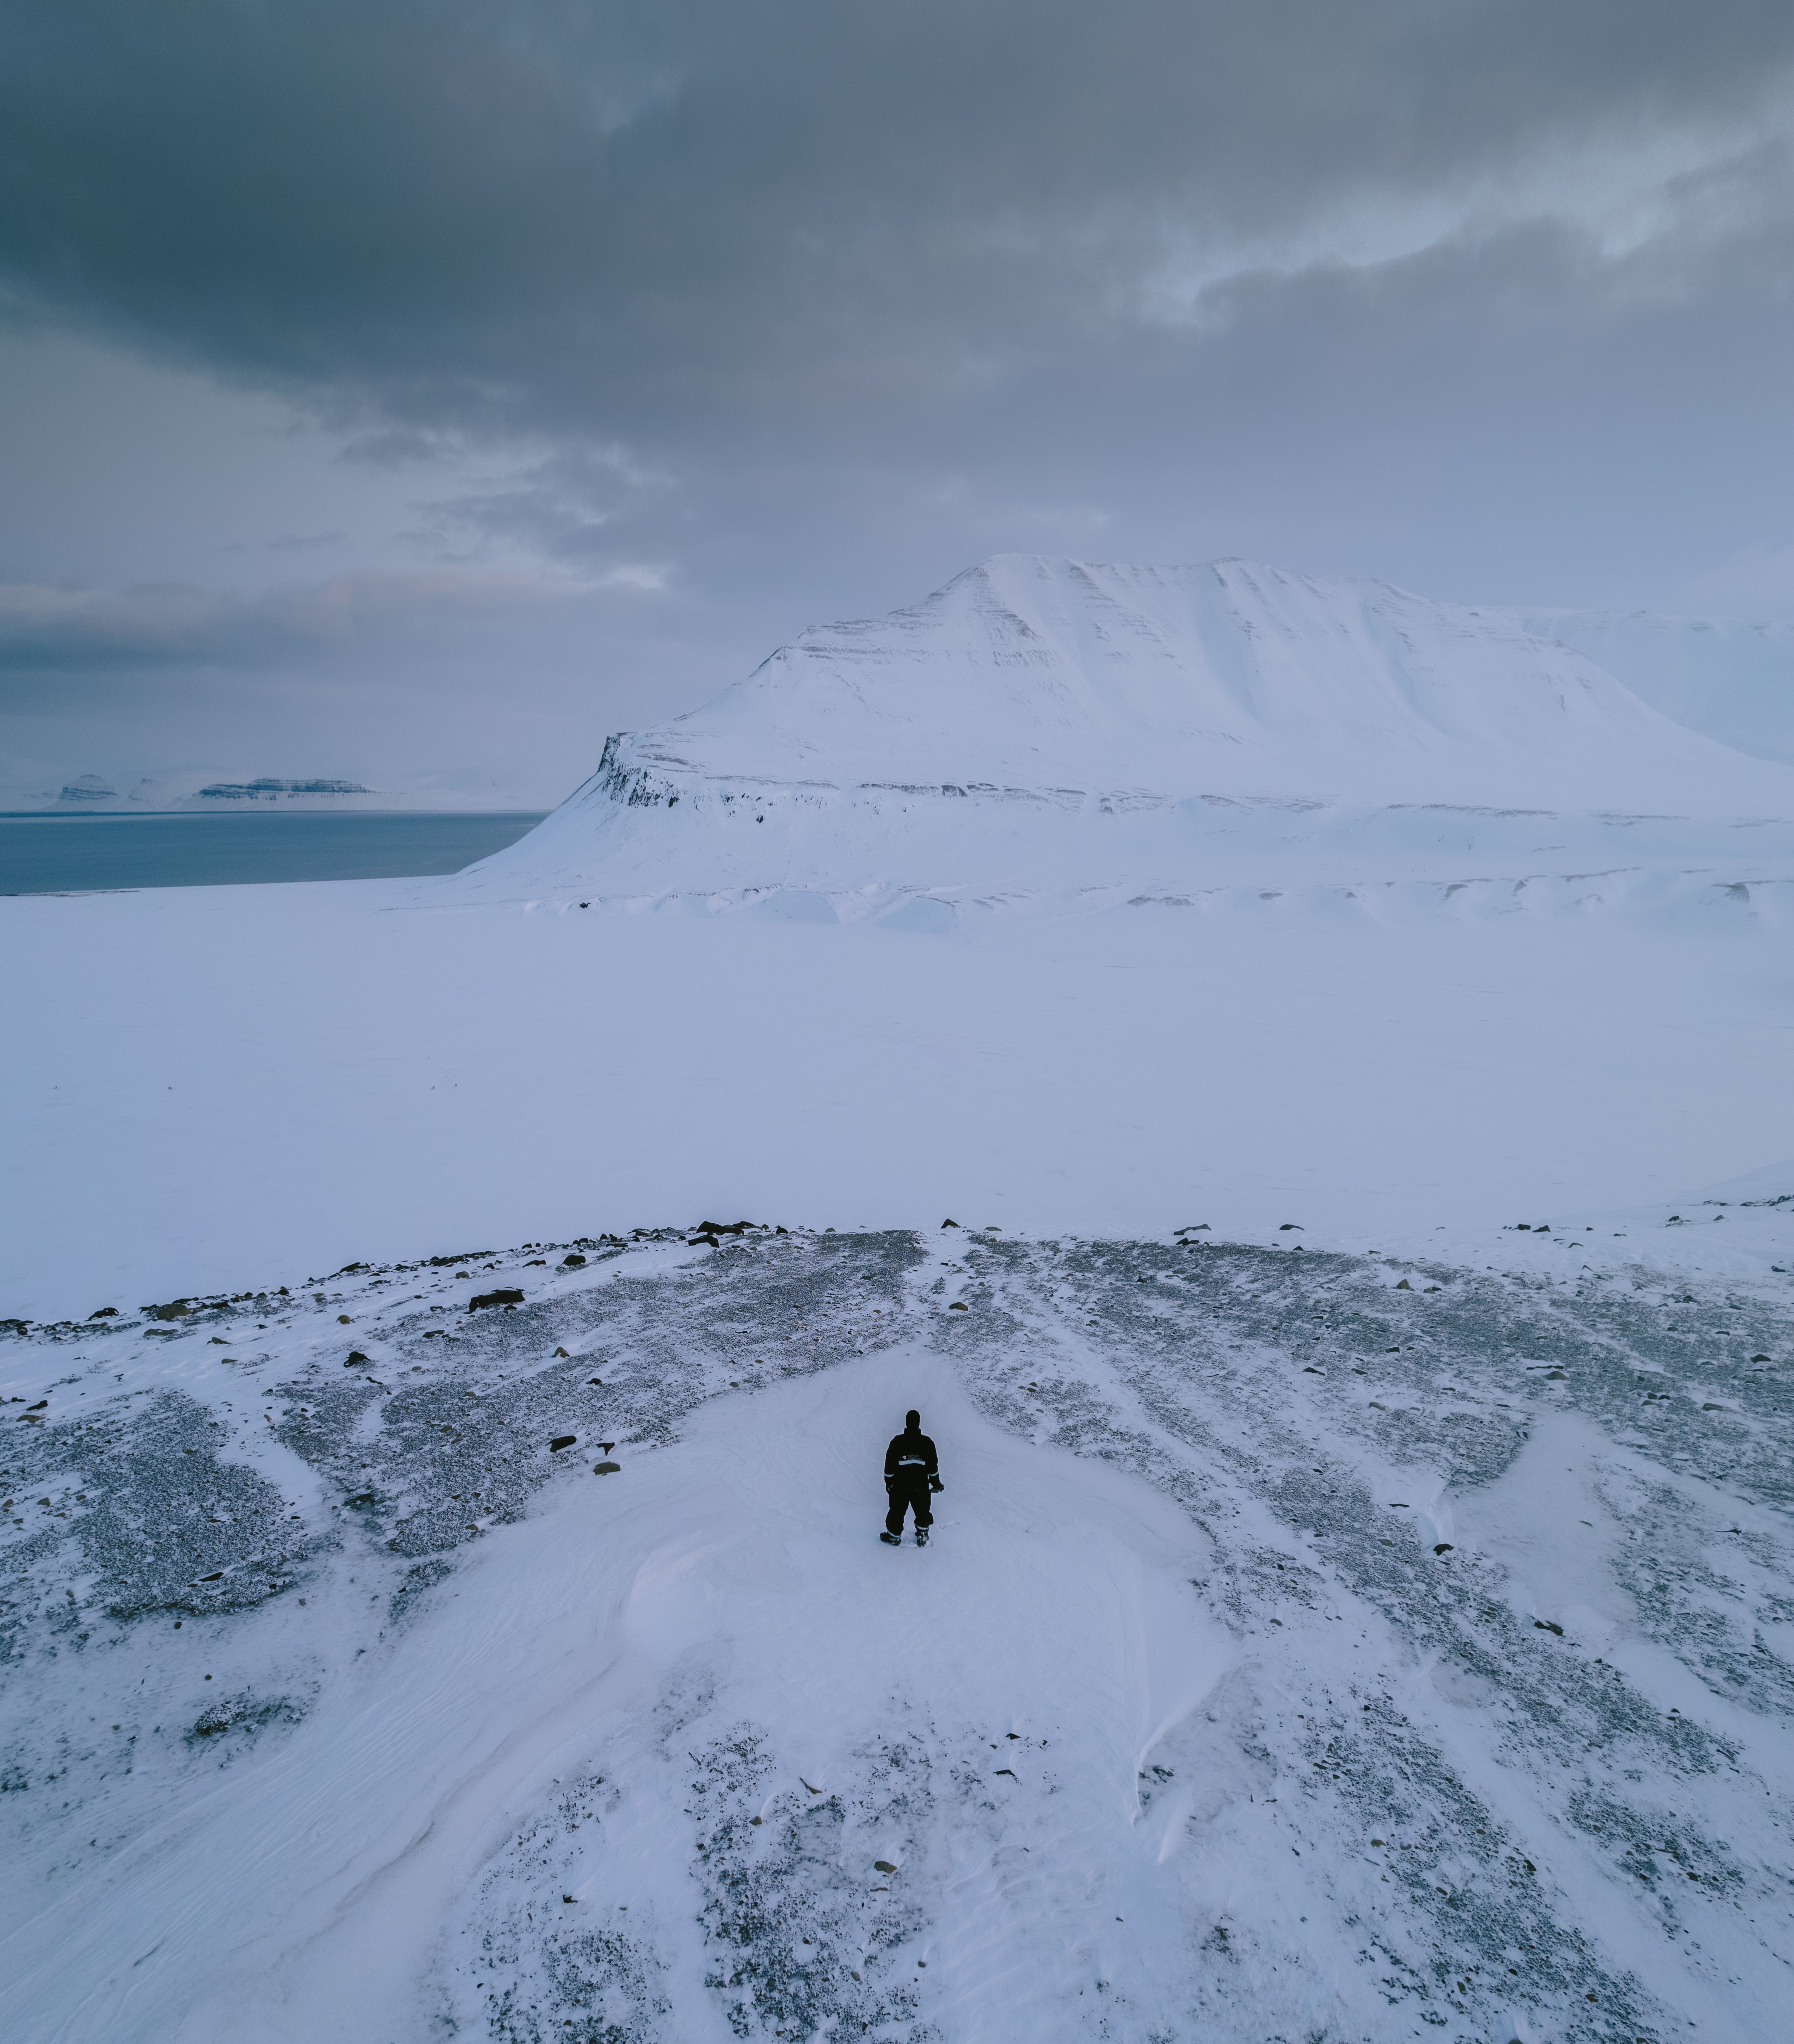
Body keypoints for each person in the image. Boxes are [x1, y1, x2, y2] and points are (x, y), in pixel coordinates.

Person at [882, 1409, 942, 1546]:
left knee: (897, 1513)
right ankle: (922, 1536)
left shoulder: (897, 1442)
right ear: (919, 1423)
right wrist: (936, 1483)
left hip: (900, 1487)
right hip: (921, 1487)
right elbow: (933, 1468)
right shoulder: (928, 1443)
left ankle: (894, 1537)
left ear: (906, 1423)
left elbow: (889, 1466)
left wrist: (889, 1483)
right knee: (923, 1512)